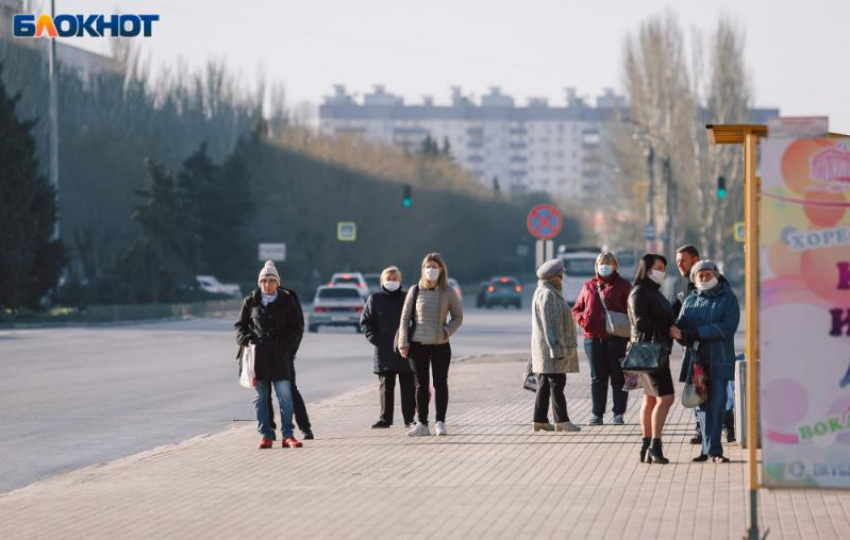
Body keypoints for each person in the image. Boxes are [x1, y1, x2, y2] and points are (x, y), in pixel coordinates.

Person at [671, 260, 740, 463]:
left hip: (719, 359)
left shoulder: (728, 298)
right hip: (696, 362)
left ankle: (715, 450)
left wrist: (697, 333)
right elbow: (681, 325)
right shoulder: (690, 300)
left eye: (707, 274)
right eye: (699, 275)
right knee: (700, 404)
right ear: (694, 278)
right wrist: (677, 331)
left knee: (717, 404)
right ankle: (706, 449)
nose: (703, 278)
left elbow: (728, 327)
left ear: (716, 275)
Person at [235, 260, 305, 449]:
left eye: (271, 280)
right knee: (260, 398)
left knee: (285, 395)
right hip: (259, 358)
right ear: (260, 283)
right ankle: (265, 434)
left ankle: (288, 435)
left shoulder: (287, 300)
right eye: (264, 281)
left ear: (278, 282)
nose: (267, 284)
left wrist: (287, 347)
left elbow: (296, 328)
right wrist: (249, 340)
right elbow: (240, 326)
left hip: (280, 356)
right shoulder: (251, 300)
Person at [398, 253, 463, 437]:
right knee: (421, 385)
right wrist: (403, 342)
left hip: (440, 345)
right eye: (428, 266)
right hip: (418, 345)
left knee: (440, 383)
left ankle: (440, 422)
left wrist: (447, 330)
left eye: (435, 267)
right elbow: (404, 318)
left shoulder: (448, 292)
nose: (431, 270)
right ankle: (422, 424)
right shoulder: (415, 291)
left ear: (441, 269)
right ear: (423, 269)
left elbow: (458, 317)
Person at [571, 251, 632, 426]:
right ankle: (597, 414)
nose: (604, 266)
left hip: (617, 338)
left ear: (615, 266)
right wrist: (583, 320)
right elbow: (576, 308)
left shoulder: (623, 285)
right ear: (596, 266)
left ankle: (618, 413)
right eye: (601, 263)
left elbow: (632, 311)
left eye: (608, 263)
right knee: (597, 378)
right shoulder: (589, 285)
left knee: (618, 377)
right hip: (593, 338)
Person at [628, 253, 675, 464]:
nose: (662, 272)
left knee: (649, 399)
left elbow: (659, 315)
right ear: (647, 270)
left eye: (664, 268)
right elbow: (641, 323)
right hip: (651, 352)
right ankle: (655, 445)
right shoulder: (640, 292)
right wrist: (667, 327)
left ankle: (646, 446)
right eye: (659, 268)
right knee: (666, 398)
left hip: (654, 351)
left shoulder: (653, 292)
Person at [360, 266, 416, 429]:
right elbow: (365, 322)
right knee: (386, 387)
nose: (392, 282)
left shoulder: (408, 298)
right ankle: (385, 419)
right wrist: (375, 339)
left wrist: (410, 340)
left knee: (407, 386)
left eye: (395, 278)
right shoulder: (375, 299)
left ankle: (409, 418)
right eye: (389, 279)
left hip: (405, 348)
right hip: (383, 349)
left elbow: (415, 320)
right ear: (383, 281)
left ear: (400, 280)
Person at [531, 259, 581, 433]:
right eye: (561, 275)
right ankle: (562, 420)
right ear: (555, 277)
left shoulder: (546, 291)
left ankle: (540, 420)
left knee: (545, 384)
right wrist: (558, 349)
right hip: (551, 350)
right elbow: (551, 324)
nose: (563, 278)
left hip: (546, 350)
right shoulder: (548, 295)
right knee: (557, 384)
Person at [671, 244, 702, 445]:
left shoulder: (708, 280)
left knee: (712, 387)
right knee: (697, 386)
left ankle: (725, 423)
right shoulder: (681, 284)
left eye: (684, 260)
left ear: (695, 260)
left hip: (708, 345)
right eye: (678, 261)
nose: (680, 265)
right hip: (690, 346)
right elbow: (672, 311)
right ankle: (701, 427)